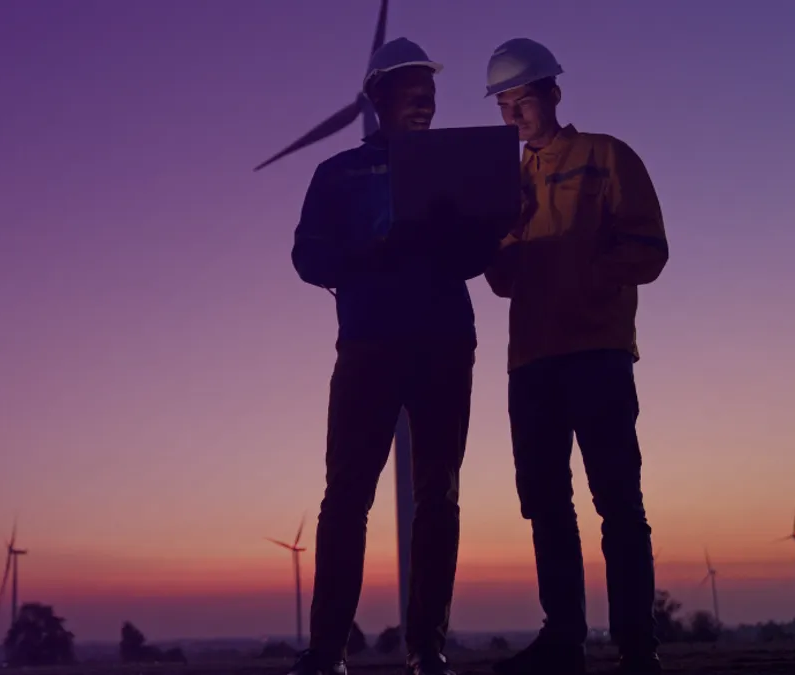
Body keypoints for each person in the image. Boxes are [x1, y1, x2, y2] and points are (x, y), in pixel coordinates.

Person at [287, 38, 501, 675]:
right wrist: (370, 252)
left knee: (438, 495)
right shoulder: (336, 174)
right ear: (378, 98)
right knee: (347, 497)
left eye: (431, 95)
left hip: (444, 344)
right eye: (413, 93)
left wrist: (473, 229)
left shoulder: (457, 167)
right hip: (368, 347)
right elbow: (307, 258)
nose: (425, 104)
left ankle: (426, 645)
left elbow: (471, 260)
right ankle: (327, 651)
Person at [481, 38, 670, 675]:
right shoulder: (505, 183)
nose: (514, 115)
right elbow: (501, 281)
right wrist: (497, 241)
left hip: (596, 352)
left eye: (522, 99)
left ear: (554, 92)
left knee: (617, 497)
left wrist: (580, 275)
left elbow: (649, 250)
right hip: (531, 360)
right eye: (504, 104)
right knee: (544, 501)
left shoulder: (607, 157)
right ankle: (564, 639)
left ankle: (637, 647)